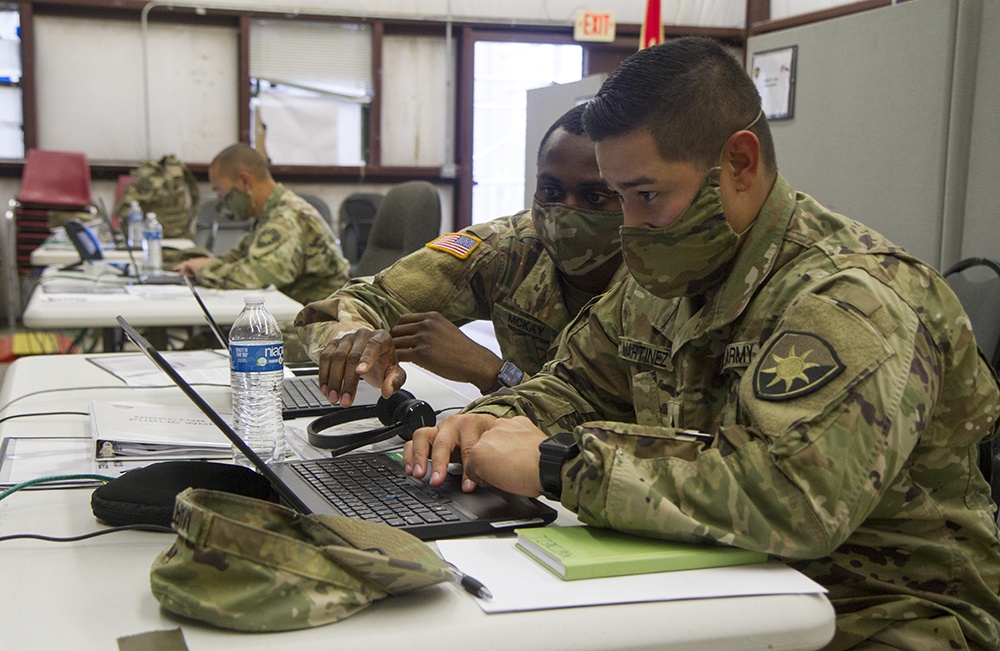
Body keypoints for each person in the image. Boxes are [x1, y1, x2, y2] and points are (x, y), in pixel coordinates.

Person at [404, 37, 1000, 650]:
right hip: (721, 580)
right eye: (619, 197)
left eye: (648, 195)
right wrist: (489, 422)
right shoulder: (670, 268)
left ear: (739, 164)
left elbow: (789, 499)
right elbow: (577, 384)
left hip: (885, 611)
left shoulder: (851, 298)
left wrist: (558, 465)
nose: (628, 225)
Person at [294, 104, 627, 411]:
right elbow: (341, 307)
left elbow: (643, 439)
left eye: (595, 196)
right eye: (550, 192)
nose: (565, 212)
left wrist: (491, 371)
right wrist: (356, 345)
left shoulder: (657, 278)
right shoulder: (510, 249)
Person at [174, 144, 349, 306]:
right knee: (205, 338)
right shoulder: (268, 214)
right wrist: (203, 264)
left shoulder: (287, 217)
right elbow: (240, 257)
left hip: (313, 323)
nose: (220, 201)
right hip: (287, 310)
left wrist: (206, 271)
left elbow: (258, 276)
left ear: (245, 181)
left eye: (221, 192)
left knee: (225, 336)